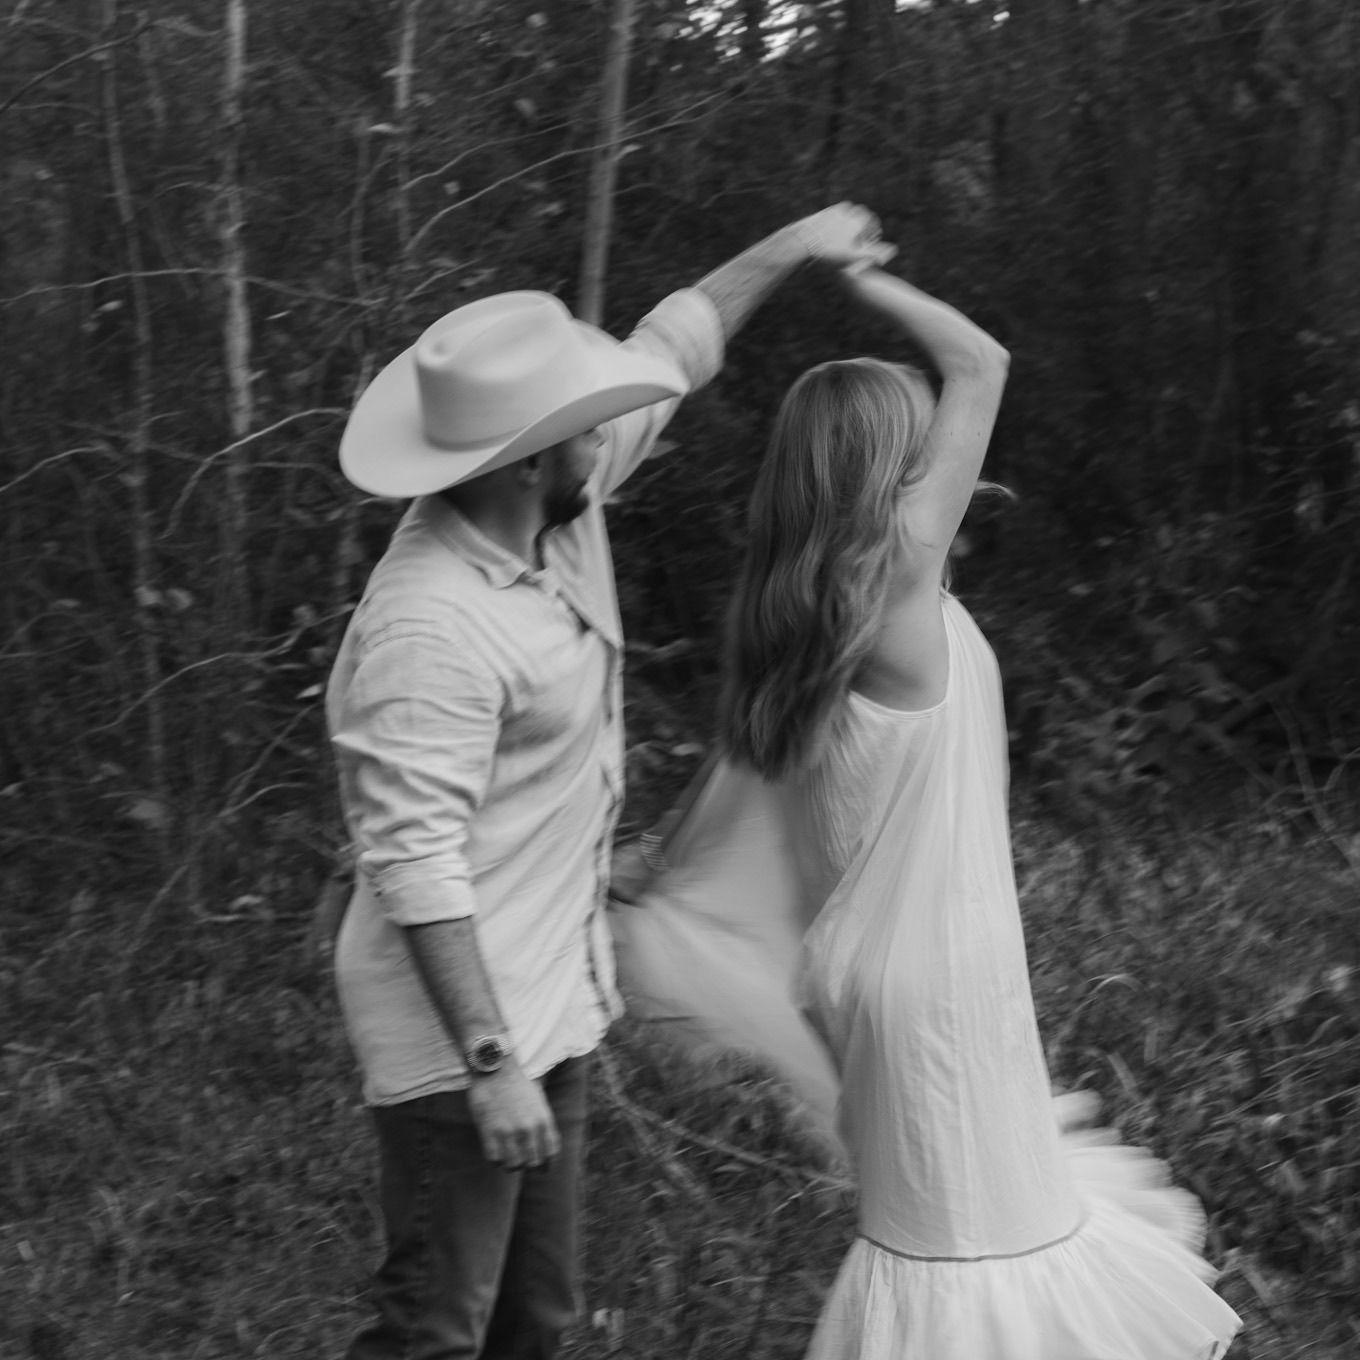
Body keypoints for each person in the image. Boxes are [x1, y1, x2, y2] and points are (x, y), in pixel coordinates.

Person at [613, 265, 1243, 1358]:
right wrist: (862, 276)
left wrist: (654, 866)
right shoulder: (895, 584)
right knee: (976, 1263)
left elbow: (736, 793)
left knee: (971, 1251)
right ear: (888, 467)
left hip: (897, 980)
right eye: (915, 437)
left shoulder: (802, 620)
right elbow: (980, 362)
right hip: (938, 987)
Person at [324, 203, 894, 1360]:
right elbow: (413, 863)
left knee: (533, 1324)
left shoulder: (548, 509)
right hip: (461, 1042)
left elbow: (674, 342)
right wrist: (490, 1069)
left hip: (552, 999)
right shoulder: (428, 626)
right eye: (586, 431)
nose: (609, 441)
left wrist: (793, 244)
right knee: (433, 1328)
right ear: (533, 455)